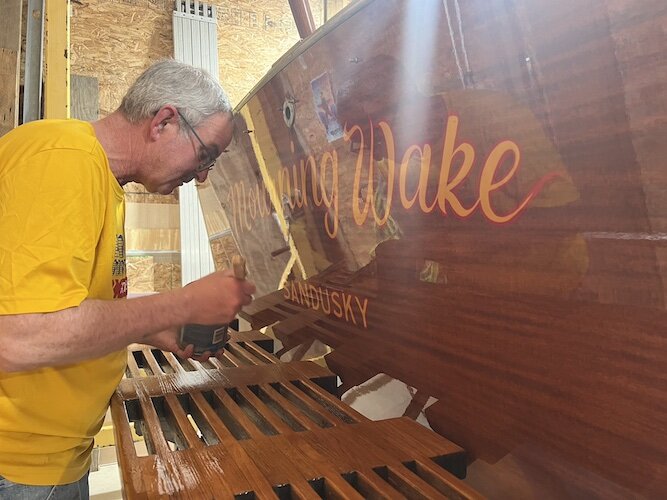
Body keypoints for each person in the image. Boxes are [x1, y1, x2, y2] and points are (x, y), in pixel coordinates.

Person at [0, 59, 256, 499]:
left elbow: (75, 302)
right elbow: (18, 336)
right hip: (18, 461)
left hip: (53, 455)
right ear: (165, 122)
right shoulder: (64, 160)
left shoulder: (102, 180)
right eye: (207, 154)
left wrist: (157, 328)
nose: (202, 176)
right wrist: (180, 304)